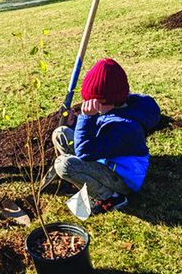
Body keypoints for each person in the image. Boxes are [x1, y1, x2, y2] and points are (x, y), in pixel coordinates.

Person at [51, 58, 160, 214]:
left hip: (122, 177)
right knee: (61, 134)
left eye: (95, 102)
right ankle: (86, 181)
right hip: (104, 159)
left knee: (65, 165)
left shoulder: (124, 127)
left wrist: (87, 117)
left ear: (108, 100)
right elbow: (91, 136)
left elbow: (85, 152)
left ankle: (111, 197)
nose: (92, 105)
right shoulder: (113, 108)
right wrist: (75, 123)